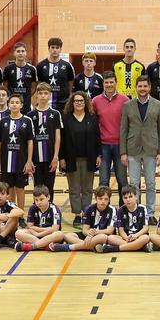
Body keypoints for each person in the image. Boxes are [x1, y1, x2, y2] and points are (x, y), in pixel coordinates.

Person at [120, 75, 160, 218]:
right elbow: (123, 130)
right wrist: (123, 152)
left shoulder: (158, 105)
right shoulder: (128, 105)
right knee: (134, 184)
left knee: (151, 183)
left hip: (151, 150)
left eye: (145, 86)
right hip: (132, 149)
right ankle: (136, 212)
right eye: (140, 86)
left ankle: (150, 214)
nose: (142, 89)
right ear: (136, 87)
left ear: (149, 87)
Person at [61, 90, 101, 225]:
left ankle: (86, 213)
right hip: (71, 159)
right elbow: (61, 140)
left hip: (89, 158)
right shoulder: (65, 118)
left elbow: (97, 138)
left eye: (81, 100)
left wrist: (98, 155)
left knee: (87, 188)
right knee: (74, 188)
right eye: (76, 100)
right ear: (72, 103)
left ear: (86, 102)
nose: (78, 103)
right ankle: (77, 214)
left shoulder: (92, 117)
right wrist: (61, 158)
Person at [0, 95, 35, 207]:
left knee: (20, 188)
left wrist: (29, 161)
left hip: (21, 161)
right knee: (9, 188)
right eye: (12, 102)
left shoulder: (27, 121)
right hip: (6, 161)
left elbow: (30, 142)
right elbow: (0, 143)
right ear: (8, 105)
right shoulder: (3, 121)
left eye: (17, 102)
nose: (14, 104)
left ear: (21, 105)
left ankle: (20, 214)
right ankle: (11, 212)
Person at [93, 72, 128, 190]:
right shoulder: (96, 101)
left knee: (122, 179)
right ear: (103, 84)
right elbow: (93, 124)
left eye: (111, 82)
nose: (109, 85)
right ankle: (103, 207)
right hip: (103, 146)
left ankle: (124, 207)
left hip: (120, 146)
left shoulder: (125, 100)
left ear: (116, 83)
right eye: (106, 82)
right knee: (103, 181)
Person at [29, 82, 63, 197]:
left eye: (46, 93)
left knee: (49, 187)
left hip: (50, 157)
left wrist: (55, 157)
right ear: (37, 95)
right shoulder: (30, 115)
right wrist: (29, 159)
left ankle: (50, 211)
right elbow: (29, 139)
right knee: (37, 187)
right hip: (35, 158)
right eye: (40, 93)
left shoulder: (55, 114)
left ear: (50, 95)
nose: (43, 96)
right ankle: (37, 212)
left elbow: (58, 136)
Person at [97, 185, 152, 253]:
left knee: (146, 238)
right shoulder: (120, 210)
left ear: (136, 197)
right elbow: (121, 230)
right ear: (122, 199)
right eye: (125, 198)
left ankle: (113, 248)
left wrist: (136, 235)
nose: (128, 200)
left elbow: (146, 228)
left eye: (130, 197)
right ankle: (140, 247)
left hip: (139, 236)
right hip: (125, 238)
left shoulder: (142, 208)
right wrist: (126, 238)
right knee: (110, 238)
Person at [62, 186, 117, 252]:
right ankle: (91, 247)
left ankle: (71, 247)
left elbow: (109, 231)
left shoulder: (113, 210)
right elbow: (85, 230)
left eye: (106, 199)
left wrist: (93, 233)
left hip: (102, 235)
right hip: (89, 236)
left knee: (103, 237)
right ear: (96, 198)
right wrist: (89, 234)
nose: (103, 201)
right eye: (100, 199)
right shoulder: (89, 209)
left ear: (109, 199)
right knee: (67, 236)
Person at [16, 185, 66, 252]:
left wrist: (39, 233)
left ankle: (32, 246)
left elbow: (55, 229)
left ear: (48, 197)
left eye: (41, 199)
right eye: (36, 200)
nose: (38, 202)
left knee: (60, 234)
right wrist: (46, 229)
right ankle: (45, 246)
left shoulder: (54, 209)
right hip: (35, 235)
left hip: (49, 236)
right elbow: (30, 226)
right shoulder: (32, 208)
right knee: (18, 233)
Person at [36, 37, 75, 111]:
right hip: (45, 104)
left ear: (60, 49)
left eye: (57, 48)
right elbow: (38, 85)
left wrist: (69, 99)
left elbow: (71, 84)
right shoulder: (40, 65)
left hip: (63, 104)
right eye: (52, 47)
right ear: (48, 48)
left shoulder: (67, 66)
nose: (54, 50)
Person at [2, 42, 37, 112]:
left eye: (22, 51)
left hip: (27, 105)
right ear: (14, 53)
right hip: (12, 105)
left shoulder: (32, 69)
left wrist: (26, 95)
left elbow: (33, 87)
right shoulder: (8, 69)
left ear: (26, 53)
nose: (20, 53)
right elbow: (5, 86)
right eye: (18, 51)